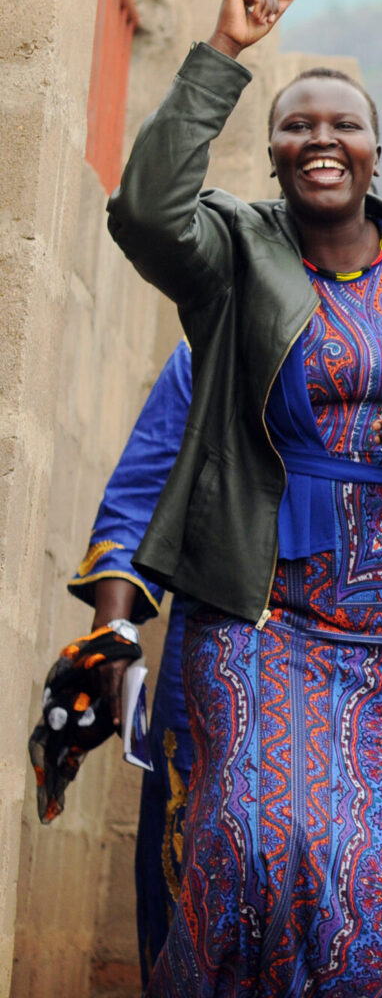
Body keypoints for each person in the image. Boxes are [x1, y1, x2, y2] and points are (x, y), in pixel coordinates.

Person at [104, 0, 382, 995]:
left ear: (378, 150)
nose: (321, 139)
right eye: (296, 125)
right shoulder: (233, 254)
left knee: (378, 878)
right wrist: (223, 50)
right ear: (272, 153)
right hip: (264, 602)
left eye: (344, 124)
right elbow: (145, 212)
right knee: (250, 838)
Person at [46, 342, 196, 985]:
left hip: (379, 663)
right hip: (221, 657)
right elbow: (138, 495)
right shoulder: (208, 345)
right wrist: (113, 626)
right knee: (192, 869)